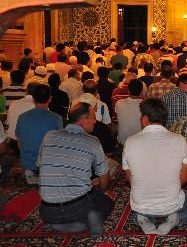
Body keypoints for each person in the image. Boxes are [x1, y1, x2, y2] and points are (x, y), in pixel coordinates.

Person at [38, 102, 114, 237]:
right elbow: (104, 179)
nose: (95, 121)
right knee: (106, 203)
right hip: (77, 209)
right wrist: (100, 192)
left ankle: (60, 224)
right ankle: (85, 221)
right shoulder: (92, 141)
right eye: (93, 117)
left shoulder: (48, 136)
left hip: (47, 210)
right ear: (83, 120)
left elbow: (40, 166)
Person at [122, 98, 187, 235]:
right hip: (171, 204)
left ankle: (142, 218)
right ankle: (174, 218)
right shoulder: (180, 140)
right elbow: (183, 179)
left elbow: (129, 178)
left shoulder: (130, 141)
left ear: (144, 119)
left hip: (142, 204)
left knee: (136, 202)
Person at [16, 84, 63, 184]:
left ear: (33, 99)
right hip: (48, 165)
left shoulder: (22, 117)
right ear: (50, 99)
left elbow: (20, 144)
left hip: (27, 164)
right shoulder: (57, 118)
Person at [115, 79, 143, 145]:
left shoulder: (119, 103)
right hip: (140, 141)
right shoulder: (145, 105)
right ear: (141, 92)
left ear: (128, 90)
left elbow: (116, 121)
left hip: (122, 140)